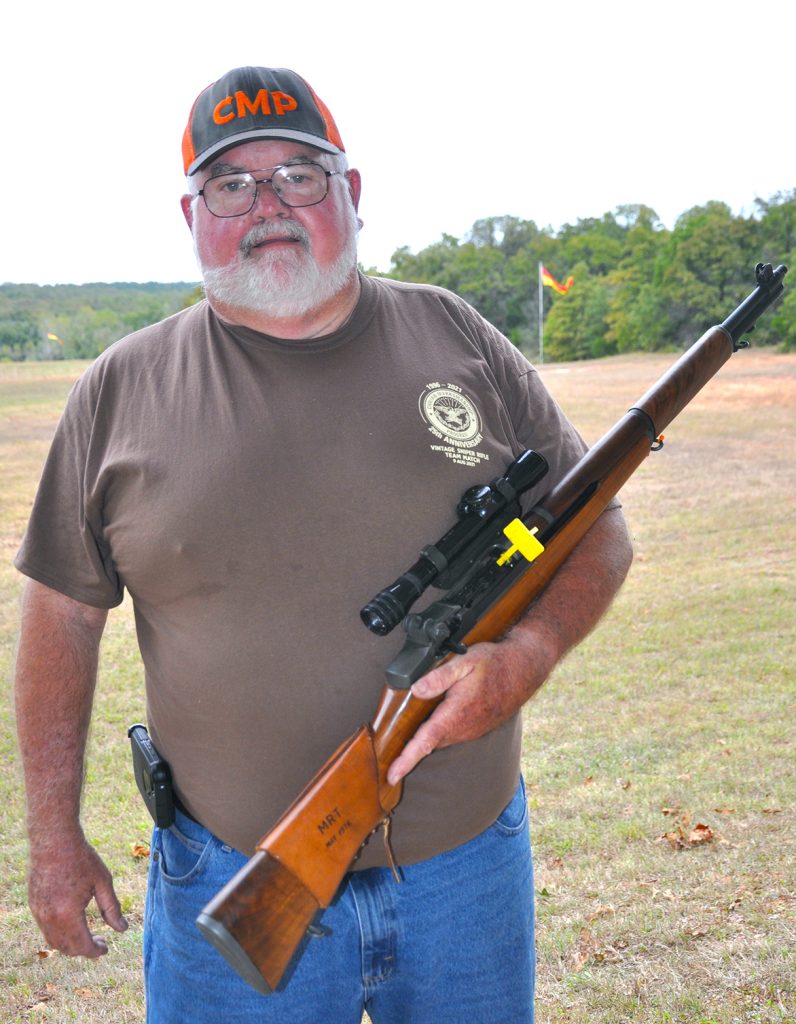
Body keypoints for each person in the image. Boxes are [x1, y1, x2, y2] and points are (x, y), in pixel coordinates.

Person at [14, 66, 633, 1023]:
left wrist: (526, 656)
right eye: (231, 184)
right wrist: (52, 837)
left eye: (299, 173)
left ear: (351, 191)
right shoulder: (118, 388)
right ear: (190, 213)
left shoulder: (455, 335)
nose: (267, 205)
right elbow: (61, 612)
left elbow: (596, 525)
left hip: (464, 873)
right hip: (228, 870)